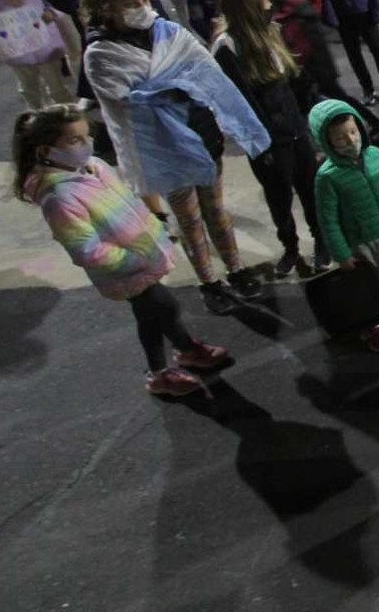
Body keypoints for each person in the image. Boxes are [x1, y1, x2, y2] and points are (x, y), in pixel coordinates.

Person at [80, 0, 270, 314]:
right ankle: (209, 282)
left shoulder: (168, 32)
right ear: (107, 7)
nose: (142, 8)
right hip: (164, 149)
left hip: (201, 136)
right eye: (131, 4)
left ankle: (236, 269)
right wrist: (180, 86)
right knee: (189, 219)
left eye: (145, 0)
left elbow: (205, 72)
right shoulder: (99, 53)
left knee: (216, 211)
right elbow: (128, 98)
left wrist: (171, 88)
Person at [15, 104, 230, 397]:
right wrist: (135, 258)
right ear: (44, 151)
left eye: (86, 136)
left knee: (155, 314)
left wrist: (153, 228)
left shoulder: (95, 167)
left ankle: (184, 351)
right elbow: (87, 251)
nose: (86, 144)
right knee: (162, 309)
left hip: (143, 256)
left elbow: (128, 200)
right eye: (74, 140)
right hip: (126, 270)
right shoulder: (59, 199)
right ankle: (161, 371)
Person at [212, 0, 325, 277]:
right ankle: (291, 248)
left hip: (294, 127)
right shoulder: (227, 47)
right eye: (263, 1)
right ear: (248, 7)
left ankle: (322, 241)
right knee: (279, 198)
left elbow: (290, 82)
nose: (269, 5)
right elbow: (240, 103)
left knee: (310, 189)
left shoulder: (272, 32)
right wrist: (263, 145)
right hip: (267, 140)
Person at [310, 97, 379, 338]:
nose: (350, 140)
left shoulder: (376, 156)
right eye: (340, 137)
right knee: (368, 283)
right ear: (326, 141)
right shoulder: (327, 177)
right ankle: (372, 323)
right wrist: (341, 253)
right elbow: (327, 220)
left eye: (353, 132)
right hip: (358, 241)